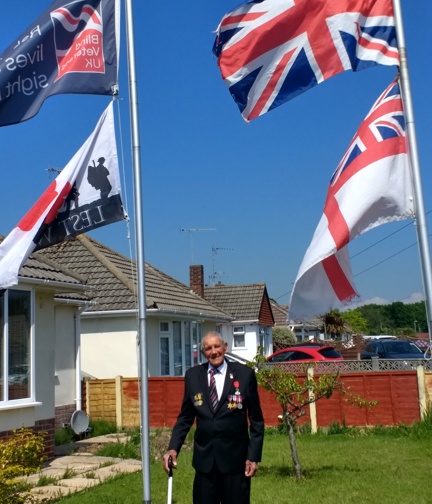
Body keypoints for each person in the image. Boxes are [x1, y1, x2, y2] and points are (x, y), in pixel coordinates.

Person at [163, 331, 264, 504]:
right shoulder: (193, 376)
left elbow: (256, 420)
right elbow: (185, 417)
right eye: (208, 348)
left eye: (217, 346)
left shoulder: (244, 374)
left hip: (235, 463)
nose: (214, 351)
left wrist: (253, 457)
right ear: (203, 353)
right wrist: (173, 448)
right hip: (205, 465)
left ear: (225, 347)